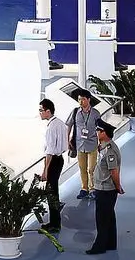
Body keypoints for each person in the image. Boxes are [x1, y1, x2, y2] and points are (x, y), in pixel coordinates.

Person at [86, 119, 123, 255]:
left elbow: (114, 171)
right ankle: (110, 243)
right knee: (109, 217)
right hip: (103, 188)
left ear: (104, 133)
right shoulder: (103, 146)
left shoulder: (109, 150)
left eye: (98, 130)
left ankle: (100, 246)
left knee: (102, 219)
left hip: (106, 189)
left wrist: (118, 187)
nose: (96, 132)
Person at [66, 89, 101, 200]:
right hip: (79, 144)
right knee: (82, 168)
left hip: (92, 144)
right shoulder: (75, 112)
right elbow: (69, 125)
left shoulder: (95, 113)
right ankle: (84, 189)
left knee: (91, 169)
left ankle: (93, 188)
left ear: (89, 100)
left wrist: (101, 142)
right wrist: (67, 139)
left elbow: (100, 129)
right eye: (79, 99)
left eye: (83, 99)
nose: (80, 102)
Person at [39, 98, 67, 233]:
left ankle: (55, 224)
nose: (40, 113)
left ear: (48, 111)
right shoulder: (60, 123)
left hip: (53, 161)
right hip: (60, 159)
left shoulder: (51, 128)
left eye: (41, 110)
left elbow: (49, 151)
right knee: (53, 191)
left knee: (51, 193)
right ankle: (55, 221)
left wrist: (45, 170)